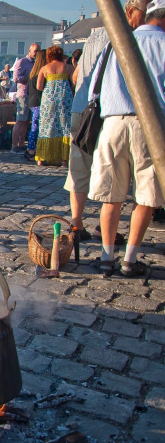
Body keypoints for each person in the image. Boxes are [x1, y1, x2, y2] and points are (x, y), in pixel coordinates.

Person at [88, 0, 165, 277]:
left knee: (112, 196)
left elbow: (94, 87)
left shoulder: (117, 42)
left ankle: (107, 257)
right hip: (150, 123)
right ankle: (129, 260)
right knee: (146, 195)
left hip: (113, 121)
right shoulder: (163, 43)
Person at [65, 0, 148, 242]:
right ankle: (105, 229)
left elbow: (79, 74)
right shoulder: (126, 37)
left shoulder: (93, 35)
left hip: (82, 107)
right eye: (144, 14)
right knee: (118, 171)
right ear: (129, 12)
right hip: (107, 111)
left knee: (79, 168)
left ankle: (77, 223)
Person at [34, 46, 73, 166]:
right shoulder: (67, 67)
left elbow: (39, 86)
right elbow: (74, 83)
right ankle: (64, 160)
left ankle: (41, 157)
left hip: (49, 99)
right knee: (64, 126)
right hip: (64, 98)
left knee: (46, 125)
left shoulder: (44, 68)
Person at [11, 43, 40, 154]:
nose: (36, 53)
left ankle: (22, 143)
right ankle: (14, 145)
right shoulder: (22, 62)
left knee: (26, 121)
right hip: (23, 94)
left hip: (31, 95)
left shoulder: (36, 63)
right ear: (30, 50)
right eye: (35, 51)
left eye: (38, 51)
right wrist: (29, 78)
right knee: (20, 120)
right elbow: (16, 78)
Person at [25, 49, 47, 160]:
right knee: (36, 127)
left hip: (32, 101)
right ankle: (32, 150)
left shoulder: (32, 73)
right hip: (39, 101)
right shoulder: (41, 73)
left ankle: (31, 149)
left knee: (34, 126)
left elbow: (28, 89)